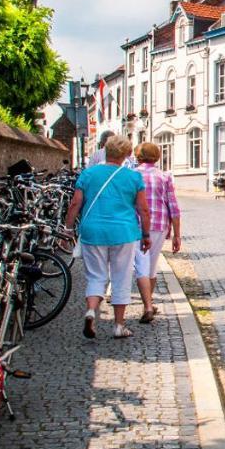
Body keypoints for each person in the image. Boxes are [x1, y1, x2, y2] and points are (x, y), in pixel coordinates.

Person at [64, 135, 150, 339]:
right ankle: (119, 325)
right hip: (124, 232)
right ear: (127, 154)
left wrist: (67, 229)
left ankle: (91, 311)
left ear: (106, 151)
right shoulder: (133, 177)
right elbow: (143, 210)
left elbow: (75, 203)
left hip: (92, 232)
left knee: (96, 276)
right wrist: (146, 234)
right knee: (121, 277)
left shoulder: (88, 174)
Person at [132, 142, 181, 323]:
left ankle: (147, 305)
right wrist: (177, 234)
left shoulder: (132, 175)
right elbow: (173, 207)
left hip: (135, 224)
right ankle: (149, 304)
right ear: (157, 156)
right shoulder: (164, 176)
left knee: (140, 265)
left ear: (138, 156)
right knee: (151, 266)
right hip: (159, 224)